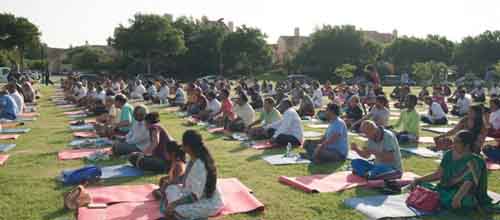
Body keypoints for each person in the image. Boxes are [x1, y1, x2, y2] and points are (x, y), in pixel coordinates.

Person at [409, 130, 497, 210]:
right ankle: (439, 198)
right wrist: (418, 180)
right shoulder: (448, 154)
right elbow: (438, 174)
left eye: (457, 142)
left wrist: (457, 198)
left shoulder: (475, 161)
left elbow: (468, 183)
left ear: (467, 145)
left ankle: (438, 198)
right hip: (445, 189)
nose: (453, 144)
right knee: (422, 185)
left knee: (464, 201)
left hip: (466, 194)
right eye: (454, 141)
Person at [161, 130, 223, 219]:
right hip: (190, 192)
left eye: (183, 144)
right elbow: (185, 177)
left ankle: (175, 211)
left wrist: (174, 204)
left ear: (189, 147)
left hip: (206, 201)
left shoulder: (200, 165)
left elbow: (195, 196)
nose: (182, 147)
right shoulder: (193, 158)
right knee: (170, 188)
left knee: (178, 209)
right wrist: (170, 182)